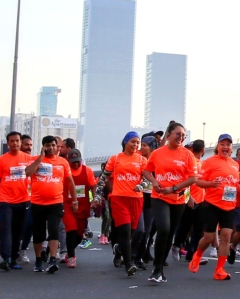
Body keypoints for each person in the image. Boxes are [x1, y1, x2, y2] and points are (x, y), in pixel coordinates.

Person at [142, 121, 199, 284]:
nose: (181, 137)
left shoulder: (187, 155)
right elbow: (146, 171)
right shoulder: (157, 153)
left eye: (183, 135)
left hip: (178, 199)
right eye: (178, 134)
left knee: (169, 234)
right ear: (168, 135)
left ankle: (160, 269)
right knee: (164, 228)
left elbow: (193, 178)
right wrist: (154, 182)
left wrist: (174, 188)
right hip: (159, 197)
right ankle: (156, 268)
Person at [187, 134, 240, 281]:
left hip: (229, 205)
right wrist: (211, 184)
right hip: (211, 205)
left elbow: (234, 183)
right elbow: (198, 181)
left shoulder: (235, 164)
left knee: (226, 236)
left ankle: (219, 270)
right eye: (222, 144)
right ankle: (197, 256)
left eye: (228, 145)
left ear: (231, 148)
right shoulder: (210, 162)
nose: (225, 147)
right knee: (209, 238)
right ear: (218, 147)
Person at [102, 132, 147, 275]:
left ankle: (120, 249)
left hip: (136, 199)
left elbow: (148, 178)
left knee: (137, 231)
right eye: (133, 141)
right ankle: (128, 264)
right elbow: (104, 177)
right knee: (125, 231)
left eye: (137, 142)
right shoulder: (115, 158)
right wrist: (97, 196)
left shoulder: (142, 160)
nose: (136, 145)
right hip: (119, 198)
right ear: (125, 142)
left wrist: (142, 185)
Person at [26, 135, 71, 274]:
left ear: (56, 146)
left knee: (54, 230)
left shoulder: (63, 162)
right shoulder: (35, 159)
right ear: (43, 147)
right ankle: (38, 259)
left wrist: (74, 200)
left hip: (56, 202)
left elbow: (70, 181)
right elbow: (27, 173)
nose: (51, 148)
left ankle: (52, 260)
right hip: (37, 203)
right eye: (48, 145)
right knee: (38, 233)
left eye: (53, 145)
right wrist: (40, 158)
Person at [0, 131, 33, 271]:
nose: (15, 143)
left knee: (18, 231)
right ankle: (6, 258)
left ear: (20, 142)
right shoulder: (2, 160)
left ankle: (14, 258)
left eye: (17, 141)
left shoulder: (28, 158)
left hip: (24, 200)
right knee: (6, 229)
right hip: (6, 200)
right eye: (12, 141)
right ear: (8, 143)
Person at [63, 149, 95, 267]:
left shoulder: (87, 171)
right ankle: (72, 257)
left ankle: (69, 251)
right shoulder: (65, 171)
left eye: (77, 161)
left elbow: (93, 185)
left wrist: (94, 199)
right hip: (68, 205)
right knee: (71, 229)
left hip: (83, 206)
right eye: (73, 162)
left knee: (79, 234)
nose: (76, 164)